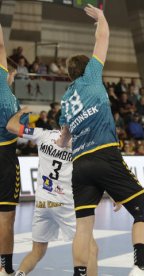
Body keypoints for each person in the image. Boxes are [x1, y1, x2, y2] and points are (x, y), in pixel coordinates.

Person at [58, 5, 144, 276]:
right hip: (105, 155)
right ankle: (139, 267)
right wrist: (101, 18)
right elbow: (103, 39)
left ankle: (79, 274)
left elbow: (64, 140)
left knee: (83, 227)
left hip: (81, 164)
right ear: (86, 68)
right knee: (143, 213)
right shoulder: (91, 77)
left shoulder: (65, 99)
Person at [6, 109, 99, 276]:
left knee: (37, 251)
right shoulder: (80, 143)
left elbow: (11, 126)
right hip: (65, 204)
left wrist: (21, 112)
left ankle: (20, 273)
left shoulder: (42, 134)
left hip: (42, 203)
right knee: (91, 247)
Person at [0, 23, 26, 276]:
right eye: (13, 74)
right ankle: (4, 268)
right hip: (6, 158)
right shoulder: (9, 96)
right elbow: (17, 131)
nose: (12, 77)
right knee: (6, 216)